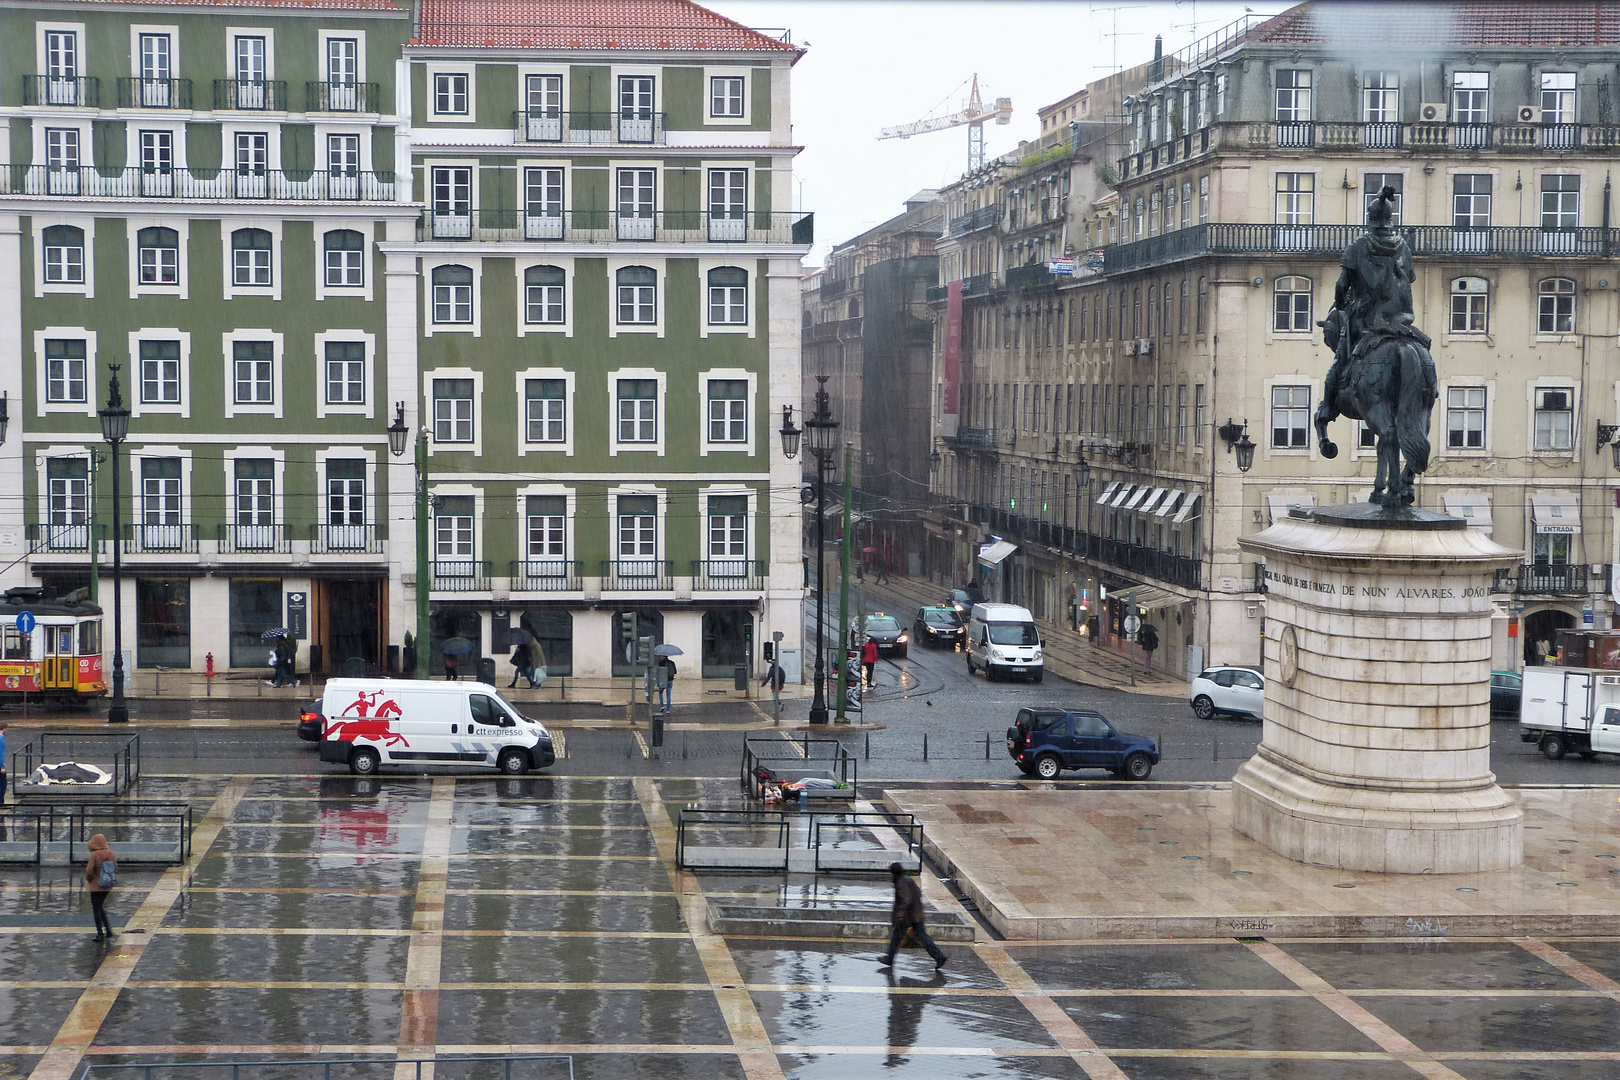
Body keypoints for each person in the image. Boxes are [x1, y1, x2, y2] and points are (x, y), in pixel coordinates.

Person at [878, 862, 946, 970]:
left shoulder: (901, 883)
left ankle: (890, 959)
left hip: (908, 917)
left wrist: (901, 912)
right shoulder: (907, 880)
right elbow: (918, 893)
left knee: (898, 937)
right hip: (916, 914)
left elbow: (906, 899)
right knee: (922, 937)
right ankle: (939, 957)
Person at [85, 833, 117, 940]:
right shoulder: (111, 853)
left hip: (96, 885)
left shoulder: (94, 855)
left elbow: (89, 870)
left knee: (96, 909)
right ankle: (108, 930)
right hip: (107, 884)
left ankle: (100, 933)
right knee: (100, 906)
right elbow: (115, 868)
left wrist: (89, 879)